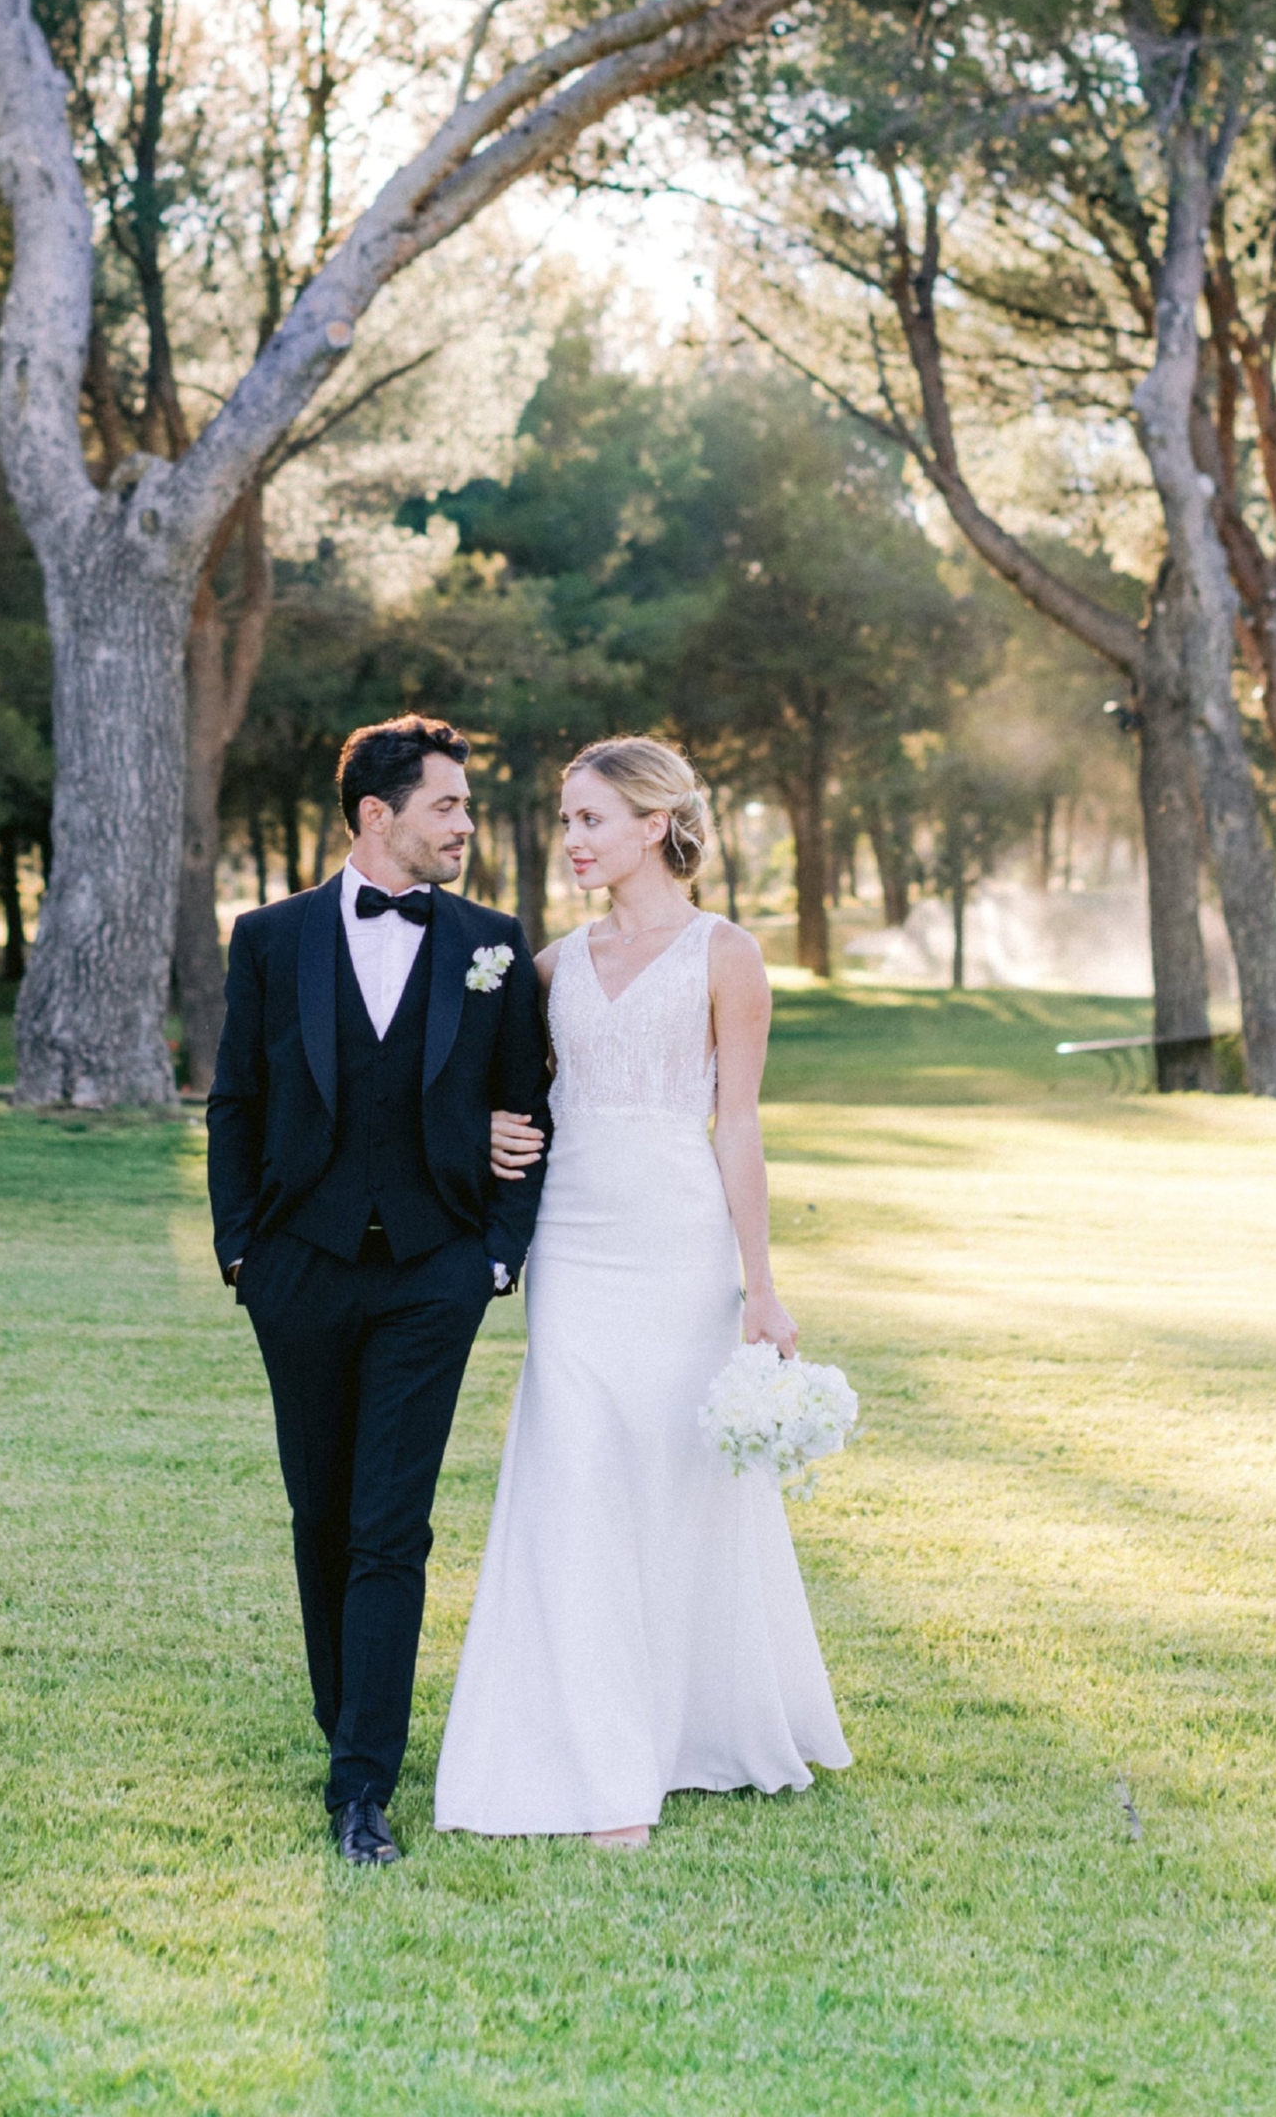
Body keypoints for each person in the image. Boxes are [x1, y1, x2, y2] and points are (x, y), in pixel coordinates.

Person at [435, 735, 851, 1848]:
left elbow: (739, 1125)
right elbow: (502, 1095)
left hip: (680, 1243)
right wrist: (487, 1132)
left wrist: (761, 1287)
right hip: (573, 1246)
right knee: (574, 1466)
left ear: (655, 823)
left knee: (676, 1476)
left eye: (591, 819)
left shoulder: (727, 955)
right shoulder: (549, 969)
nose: (571, 840)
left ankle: (682, 1732)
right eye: (567, 819)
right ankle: (587, 1748)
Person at [207, 716, 551, 1868]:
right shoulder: (270, 938)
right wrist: (243, 1252)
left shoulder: (493, 944)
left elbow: (528, 1110)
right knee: (321, 1513)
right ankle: (342, 1714)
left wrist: (494, 1254)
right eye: (447, 805)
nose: (466, 825)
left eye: (466, 807)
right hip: (297, 1267)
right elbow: (237, 1103)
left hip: (431, 1272)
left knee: (391, 1524)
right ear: (376, 814)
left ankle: (363, 1783)